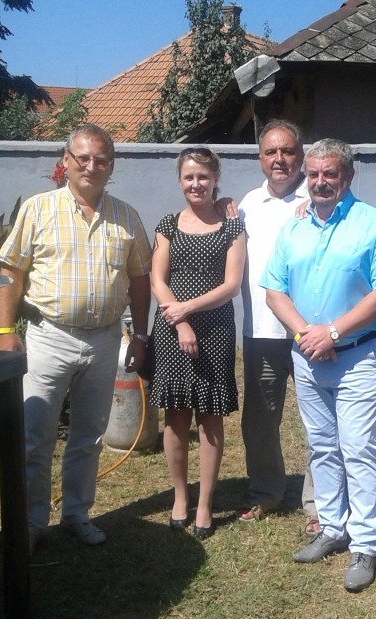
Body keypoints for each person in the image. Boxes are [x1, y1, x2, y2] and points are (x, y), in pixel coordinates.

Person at [0, 123, 152, 555]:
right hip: (49, 338)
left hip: (105, 341)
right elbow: (10, 271)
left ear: (111, 166)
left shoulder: (126, 216)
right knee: (35, 436)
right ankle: (31, 521)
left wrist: (140, 335)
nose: (91, 166)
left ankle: (77, 514)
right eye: (82, 157)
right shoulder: (38, 209)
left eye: (101, 159)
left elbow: (140, 279)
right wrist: (5, 332)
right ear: (65, 161)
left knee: (89, 436)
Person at [262, 138, 376, 592]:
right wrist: (307, 336)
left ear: (347, 175)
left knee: (358, 448)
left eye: (330, 174)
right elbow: (274, 291)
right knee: (322, 446)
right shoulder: (293, 227)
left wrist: (332, 332)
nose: (320, 182)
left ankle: (364, 544)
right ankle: (331, 527)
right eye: (313, 174)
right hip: (307, 354)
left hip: (357, 355)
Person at [148, 147, 246, 540]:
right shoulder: (168, 224)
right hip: (173, 330)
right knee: (175, 416)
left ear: (215, 179)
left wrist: (187, 308)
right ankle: (180, 497)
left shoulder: (232, 227)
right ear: (180, 181)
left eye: (203, 176)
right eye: (189, 177)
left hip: (216, 329)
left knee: (209, 415)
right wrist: (182, 322)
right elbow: (158, 280)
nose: (196, 184)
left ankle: (205, 502)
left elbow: (232, 285)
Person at [236, 119, 318, 532]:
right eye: (271, 152)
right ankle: (266, 491)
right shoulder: (248, 204)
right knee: (260, 420)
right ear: (260, 158)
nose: (280, 159)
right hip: (262, 332)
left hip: (309, 332)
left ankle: (319, 503)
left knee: (318, 419)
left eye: (288, 151)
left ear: (301, 155)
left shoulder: (321, 194)